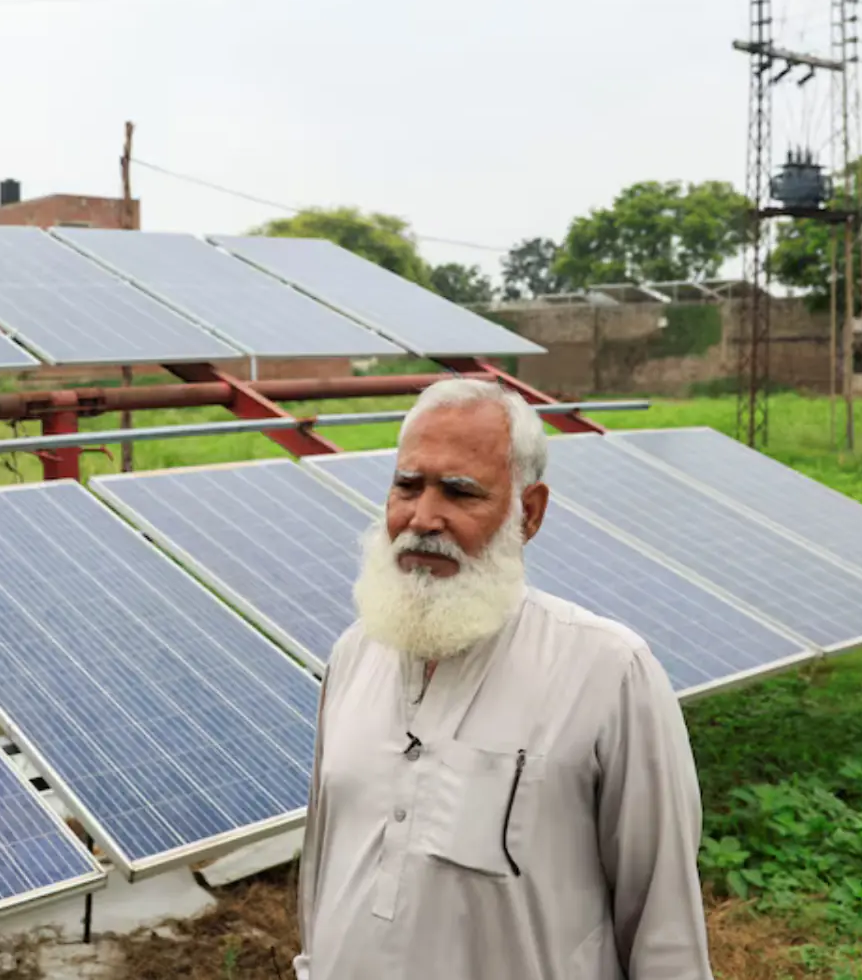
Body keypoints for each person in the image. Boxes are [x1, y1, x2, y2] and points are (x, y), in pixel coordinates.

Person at [293, 378, 713, 979]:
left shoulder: (608, 672)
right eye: (407, 486)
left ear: (529, 512)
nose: (423, 518)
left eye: (461, 493)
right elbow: (322, 871)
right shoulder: (356, 655)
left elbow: (665, 930)